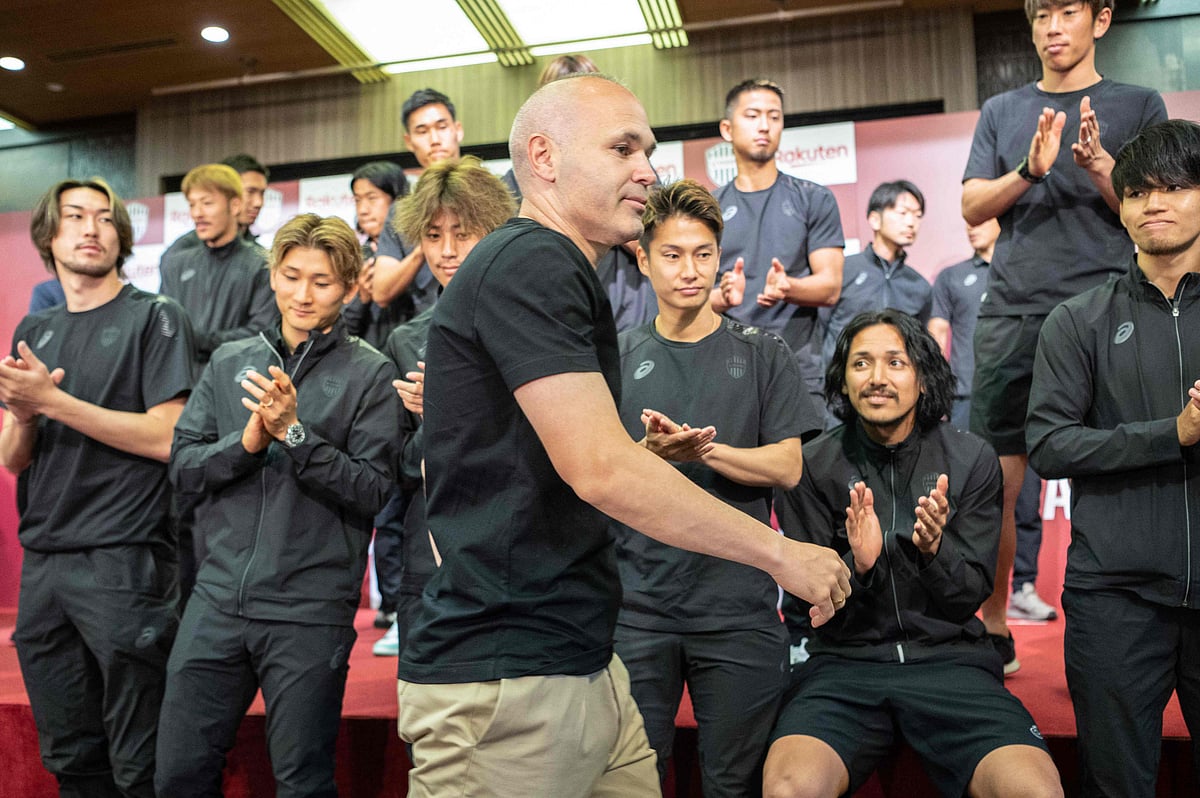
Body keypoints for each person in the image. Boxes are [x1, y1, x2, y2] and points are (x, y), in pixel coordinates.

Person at [394, 74, 851, 798]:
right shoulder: (533, 261)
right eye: (621, 148)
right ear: (542, 157)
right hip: (510, 680)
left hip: (578, 658)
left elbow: (515, 471)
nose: (648, 170)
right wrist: (779, 553)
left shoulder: (561, 272)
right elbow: (599, 471)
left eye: (650, 149)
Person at [765, 309, 1063, 798]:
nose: (877, 378)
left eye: (895, 363)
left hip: (952, 665)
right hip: (843, 668)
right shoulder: (813, 464)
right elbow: (810, 613)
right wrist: (857, 568)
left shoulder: (971, 459)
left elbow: (968, 596)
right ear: (842, 379)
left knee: (1037, 791)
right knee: (788, 790)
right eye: (860, 364)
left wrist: (933, 551)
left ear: (923, 378)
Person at [155, 213, 402, 798]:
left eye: (322, 281)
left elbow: (374, 489)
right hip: (215, 602)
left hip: (309, 611)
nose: (303, 294)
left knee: (302, 783)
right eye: (291, 276)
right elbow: (183, 467)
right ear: (272, 276)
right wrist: (245, 444)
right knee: (178, 776)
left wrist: (294, 434)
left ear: (348, 287)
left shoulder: (371, 372)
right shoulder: (227, 361)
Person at [961, 0, 1167, 668]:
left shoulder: (1138, 104)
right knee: (995, 477)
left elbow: (1153, 210)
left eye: (1067, 10)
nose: (1053, 26)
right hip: (1014, 310)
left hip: (1110, 309)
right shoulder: (1002, 109)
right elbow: (970, 204)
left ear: (1100, 19)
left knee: (1119, 466)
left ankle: (1129, 622)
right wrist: (1028, 171)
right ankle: (994, 618)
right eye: (1042, 12)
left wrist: (1103, 168)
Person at [611, 178, 820, 796]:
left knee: (734, 783)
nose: (689, 270)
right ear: (643, 260)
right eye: (671, 255)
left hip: (738, 608)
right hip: (635, 608)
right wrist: (650, 455)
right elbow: (593, 473)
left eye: (703, 254)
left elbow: (787, 467)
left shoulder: (762, 352)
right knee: (630, 782)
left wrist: (703, 450)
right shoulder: (614, 356)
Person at [1, 178, 194, 798]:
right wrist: (29, 414)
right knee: (70, 756)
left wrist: (54, 401)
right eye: (76, 216)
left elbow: (168, 436)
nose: (91, 228)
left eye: (106, 218)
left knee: (139, 762)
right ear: (49, 236)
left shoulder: (156, 317)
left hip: (125, 559)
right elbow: (12, 458)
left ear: (121, 235)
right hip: (46, 565)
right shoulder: (36, 327)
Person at [1026, 118, 1200, 797]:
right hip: (1115, 600)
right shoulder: (1078, 320)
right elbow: (1048, 443)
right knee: (1114, 783)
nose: (1153, 203)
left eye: (1176, 186)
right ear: (1120, 208)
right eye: (1137, 192)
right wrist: (1172, 433)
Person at [371, 156, 516, 657]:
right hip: (429, 553)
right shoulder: (406, 340)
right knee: (428, 719)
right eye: (433, 236)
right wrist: (435, 424)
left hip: (519, 547)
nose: (448, 251)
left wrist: (461, 411)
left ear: (495, 229)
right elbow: (396, 468)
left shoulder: (530, 325)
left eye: (464, 232)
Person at [929, 220, 1057, 630]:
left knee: (1026, 500)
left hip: (1025, 400)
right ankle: (971, 594)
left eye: (984, 220)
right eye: (968, 221)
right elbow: (937, 335)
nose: (972, 228)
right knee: (974, 502)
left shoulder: (1035, 275)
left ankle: (1023, 587)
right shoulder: (951, 277)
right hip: (967, 400)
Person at [713, 78, 845, 400]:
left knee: (804, 453)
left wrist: (789, 288)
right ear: (727, 130)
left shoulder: (814, 199)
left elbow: (830, 287)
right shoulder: (709, 209)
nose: (765, 126)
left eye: (774, 117)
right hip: (726, 367)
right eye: (753, 115)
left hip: (798, 367)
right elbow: (689, 298)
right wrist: (722, 297)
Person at [157, 163, 275, 367]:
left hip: (237, 381)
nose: (197, 213)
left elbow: (263, 333)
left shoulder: (262, 264)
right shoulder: (176, 264)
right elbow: (164, 326)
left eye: (207, 203)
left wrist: (198, 340)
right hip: (180, 387)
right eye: (192, 204)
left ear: (235, 205)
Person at [819, 180, 930, 377]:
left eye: (918, 215)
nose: (911, 222)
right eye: (903, 213)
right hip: (838, 387)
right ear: (874, 220)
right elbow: (819, 331)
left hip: (893, 390)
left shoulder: (919, 286)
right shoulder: (844, 269)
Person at [372, 89, 464, 314]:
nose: (434, 140)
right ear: (409, 141)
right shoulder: (402, 211)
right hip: (429, 330)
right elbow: (381, 292)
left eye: (442, 127)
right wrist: (427, 243)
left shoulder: (493, 194)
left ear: (457, 130)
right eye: (422, 131)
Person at [161, 153, 270, 255]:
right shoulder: (180, 255)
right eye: (250, 192)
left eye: (262, 193)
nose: (259, 203)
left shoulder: (260, 257)